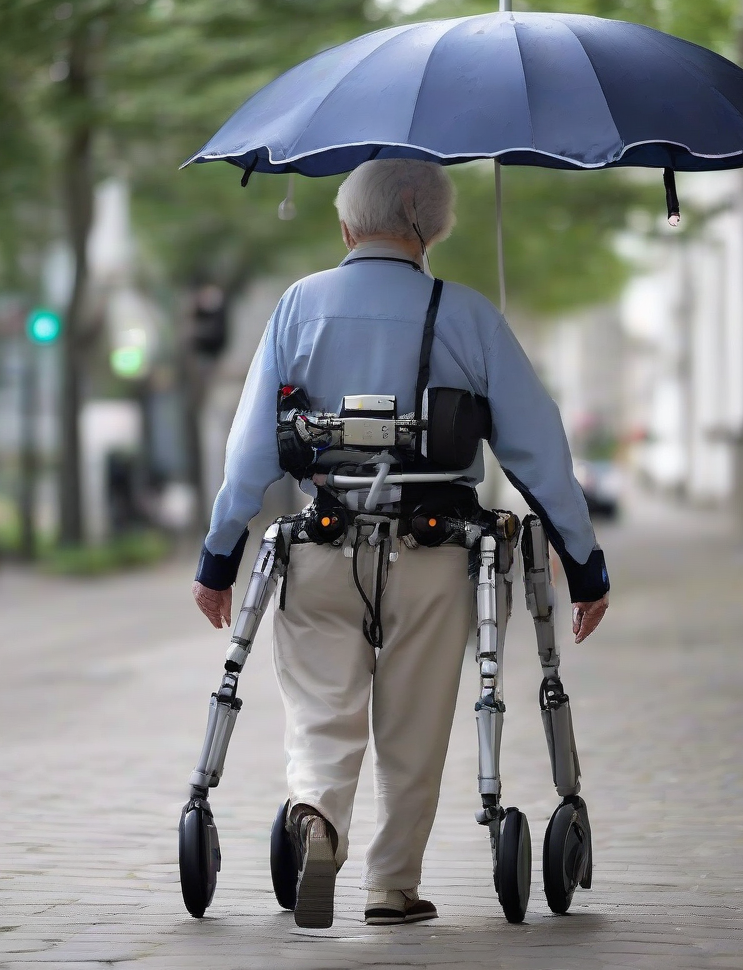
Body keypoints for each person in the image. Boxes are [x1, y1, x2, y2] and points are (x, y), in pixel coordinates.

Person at [192, 158, 609, 928]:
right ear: (434, 228)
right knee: (415, 722)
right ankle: (392, 886)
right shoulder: (469, 313)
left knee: (321, 703)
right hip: (436, 547)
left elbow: (250, 451)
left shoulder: (298, 306)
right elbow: (539, 455)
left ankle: (316, 814)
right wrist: (584, 563)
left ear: (346, 226)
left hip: (322, 539)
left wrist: (220, 557)